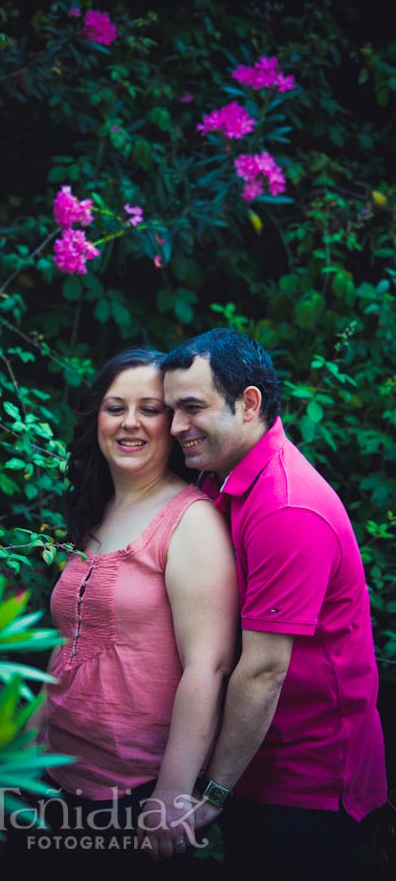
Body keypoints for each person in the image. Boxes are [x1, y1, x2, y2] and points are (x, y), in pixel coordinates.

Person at [0, 347, 237, 880]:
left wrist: (173, 795)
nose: (130, 423)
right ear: (97, 419)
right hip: (51, 778)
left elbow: (209, 667)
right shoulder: (96, 511)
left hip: (131, 796)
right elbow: (70, 643)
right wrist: (20, 751)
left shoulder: (191, 524)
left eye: (149, 409)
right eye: (115, 407)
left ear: (173, 423)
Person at [161, 328, 388, 881]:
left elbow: (264, 671)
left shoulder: (286, 506)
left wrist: (213, 790)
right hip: (257, 761)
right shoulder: (232, 479)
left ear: (249, 404)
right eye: (170, 410)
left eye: (192, 408)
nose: (174, 428)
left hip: (306, 785)